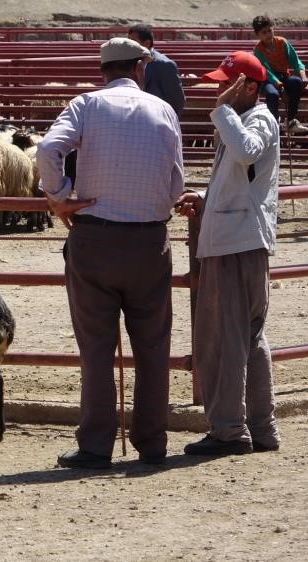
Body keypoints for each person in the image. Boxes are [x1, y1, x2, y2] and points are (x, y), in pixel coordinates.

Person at [36, 37, 185, 470]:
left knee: (97, 347)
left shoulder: (85, 105)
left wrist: (59, 195)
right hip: (149, 242)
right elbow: (176, 185)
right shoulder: (164, 110)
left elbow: (48, 149)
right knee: (153, 346)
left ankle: (96, 445)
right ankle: (152, 444)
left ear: (104, 70)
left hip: (95, 238)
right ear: (139, 68)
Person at [175, 52, 281, 456]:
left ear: (248, 87)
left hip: (236, 243)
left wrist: (222, 111)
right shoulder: (249, 119)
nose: (219, 91)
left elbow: (247, 152)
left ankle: (229, 429)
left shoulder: (253, 119)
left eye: (227, 84)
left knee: (226, 337)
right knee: (248, 337)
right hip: (241, 239)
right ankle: (259, 427)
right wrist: (205, 197)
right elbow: (241, 177)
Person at [251, 15, 308, 134]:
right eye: (264, 32)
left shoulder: (282, 42)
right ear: (258, 35)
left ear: (273, 29)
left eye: (269, 30)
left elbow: (295, 61)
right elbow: (267, 72)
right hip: (268, 80)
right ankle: (274, 124)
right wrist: (281, 88)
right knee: (272, 94)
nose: (268, 34)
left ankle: (290, 121)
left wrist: (303, 77)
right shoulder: (258, 50)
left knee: (296, 82)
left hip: (283, 76)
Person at [127, 24, 186, 118]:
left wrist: (169, 121)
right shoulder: (128, 61)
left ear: (146, 43)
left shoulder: (164, 65)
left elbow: (177, 100)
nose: (129, 46)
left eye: (133, 42)